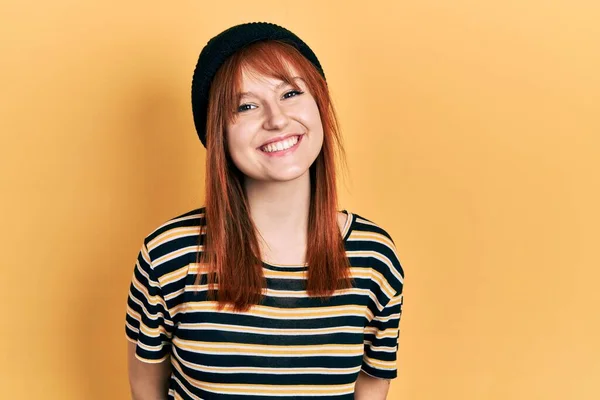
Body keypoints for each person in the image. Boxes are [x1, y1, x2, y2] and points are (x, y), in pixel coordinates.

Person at [125, 21, 404, 400]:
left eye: (290, 93)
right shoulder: (168, 257)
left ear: (320, 104)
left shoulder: (374, 258)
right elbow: (145, 386)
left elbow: (373, 383)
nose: (275, 119)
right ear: (217, 133)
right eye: (246, 105)